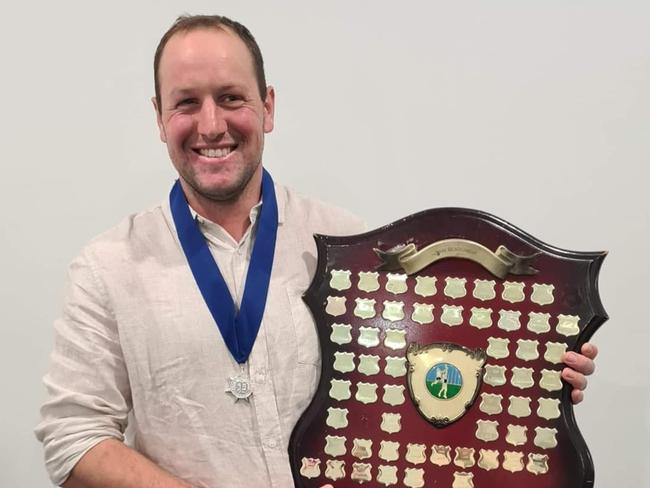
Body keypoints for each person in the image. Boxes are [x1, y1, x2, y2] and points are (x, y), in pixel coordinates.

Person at [35, 14, 599, 488]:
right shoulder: (106, 268)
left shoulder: (353, 247)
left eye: (231, 97)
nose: (211, 124)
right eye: (187, 102)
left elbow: (422, 380)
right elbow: (72, 437)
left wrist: (528, 368)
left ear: (268, 107)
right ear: (160, 117)